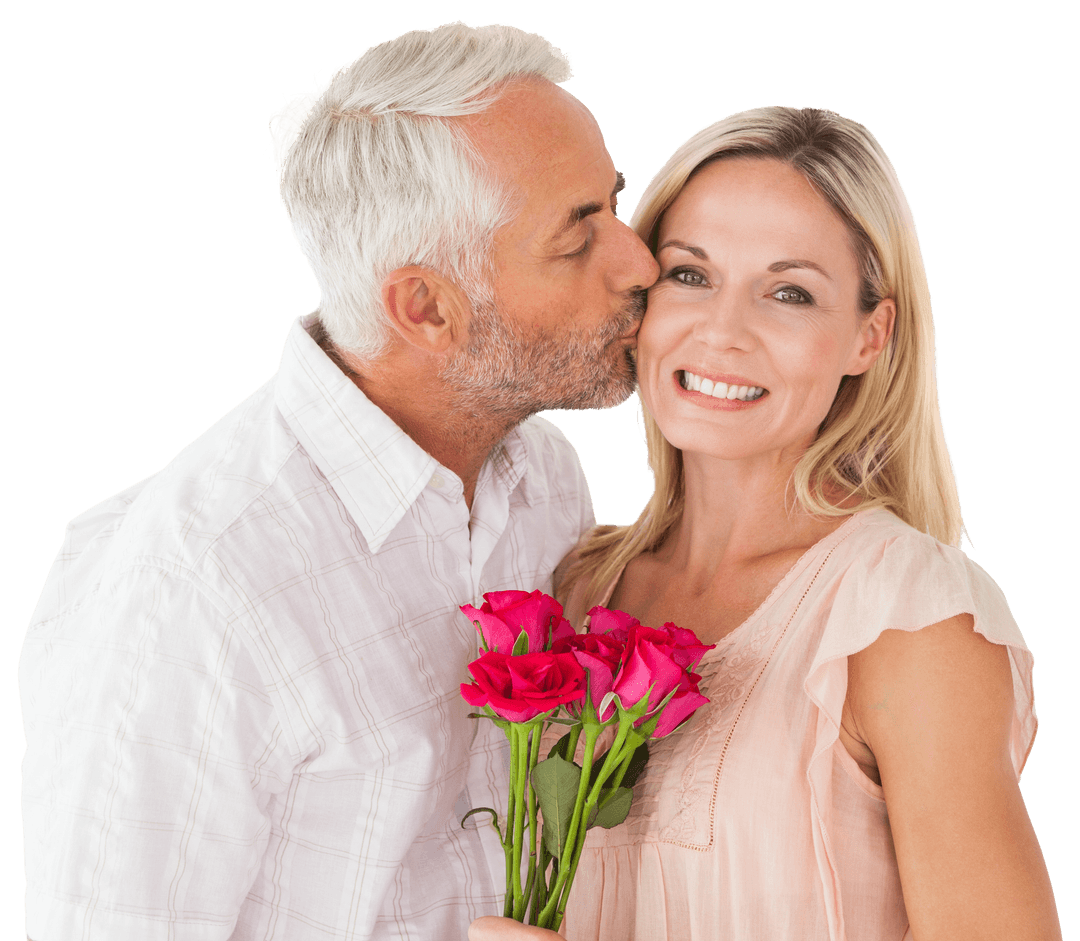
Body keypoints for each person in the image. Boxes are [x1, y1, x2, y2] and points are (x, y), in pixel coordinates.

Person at [19, 21, 658, 941]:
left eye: (612, 202)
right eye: (576, 235)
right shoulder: (189, 586)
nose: (638, 262)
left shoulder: (541, 476)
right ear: (427, 308)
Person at [469, 107, 1061, 940]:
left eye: (789, 292)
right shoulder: (567, 586)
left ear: (869, 334)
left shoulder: (908, 621)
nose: (722, 330)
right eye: (690, 274)